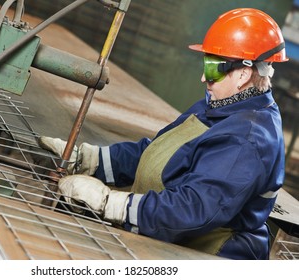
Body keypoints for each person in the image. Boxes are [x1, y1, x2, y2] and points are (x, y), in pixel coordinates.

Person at [38, 8, 288, 260]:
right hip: (169, 239)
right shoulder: (220, 107)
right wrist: (91, 160)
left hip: (208, 257)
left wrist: (112, 204)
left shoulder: (247, 138)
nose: (203, 78)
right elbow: (160, 152)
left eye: (212, 69)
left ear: (243, 74)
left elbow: (193, 209)